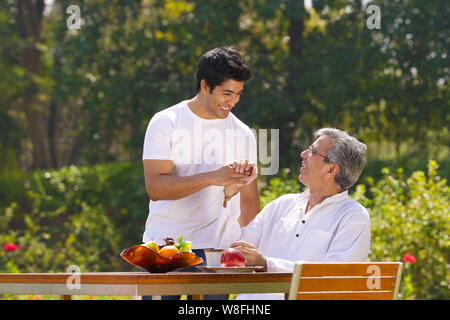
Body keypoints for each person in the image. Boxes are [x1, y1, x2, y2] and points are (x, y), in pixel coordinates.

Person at [142, 47, 260, 300]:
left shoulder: (243, 134)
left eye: (238, 94)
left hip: (219, 252)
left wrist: (254, 253)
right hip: (166, 248)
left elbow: (250, 201)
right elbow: (156, 187)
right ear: (205, 86)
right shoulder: (166, 122)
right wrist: (212, 177)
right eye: (227, 93)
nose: (233, 101)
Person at [231, 128, 370, 300]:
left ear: (331, 170)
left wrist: (267, 264)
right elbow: (234, 248)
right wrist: (229, 195)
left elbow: (333, 277)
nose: (303, 153)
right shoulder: (283, 204)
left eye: (312, 151)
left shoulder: (353, 217)